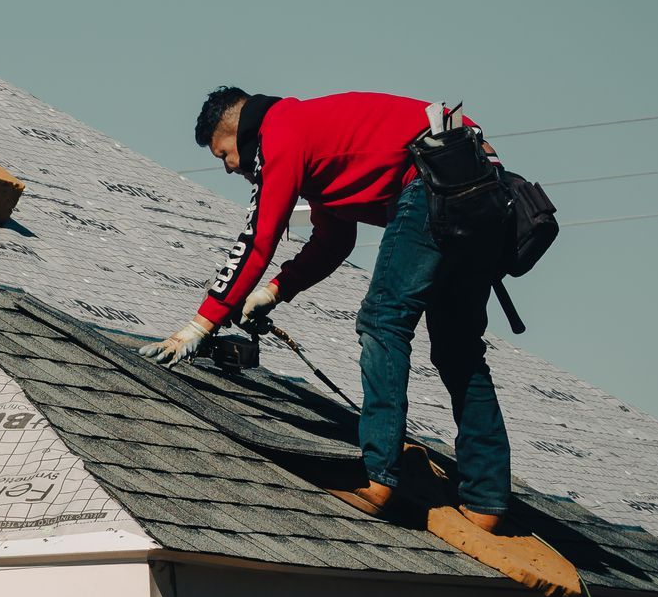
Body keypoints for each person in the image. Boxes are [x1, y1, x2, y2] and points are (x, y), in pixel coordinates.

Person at [139, 87, 510, 531]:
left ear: (237, 130)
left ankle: (378, 478)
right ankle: (486, 503)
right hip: (482, 185)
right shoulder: (315, 140)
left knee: (382, 321)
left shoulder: (281, 133)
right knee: (457, 349)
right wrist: (276, 290)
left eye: (224, 154)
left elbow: (259, 236)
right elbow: (335, 240)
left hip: (436, 180)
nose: (229, 167)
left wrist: (201, 324)